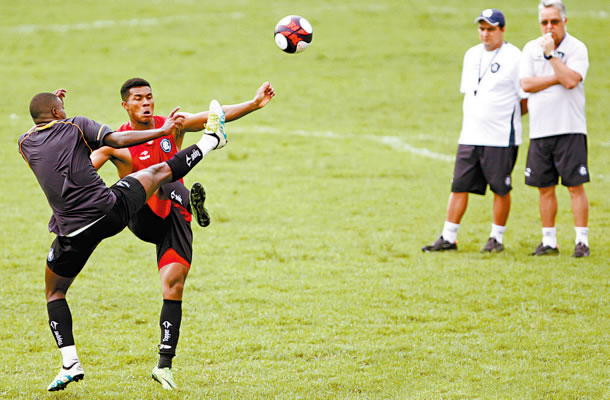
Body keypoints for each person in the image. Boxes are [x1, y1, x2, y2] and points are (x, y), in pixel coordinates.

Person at [18, 89, 226, 392]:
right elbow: (115, 140)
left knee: (55, 292)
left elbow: (51, 138)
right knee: (158, 172)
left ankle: (69, 363)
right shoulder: (76, 124)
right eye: (61, 107)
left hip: (70, 233)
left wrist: (56, 105)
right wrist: (163, 130)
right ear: (57, 113)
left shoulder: (24, 143)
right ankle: (212, 141)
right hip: (108, 212)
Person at [89, 78, 275, 390]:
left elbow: (214, 115)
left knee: (173, 287)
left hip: (175, 219)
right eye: (138, 99)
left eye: (149, 97)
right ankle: (189, 198)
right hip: (143, 217)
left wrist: (253, 104)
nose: (147, 103)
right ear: (126, 105)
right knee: (164, 177)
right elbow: (86, 170)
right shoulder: (116, 141)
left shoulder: (172, 125)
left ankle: (164, 367)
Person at [422, 9, 527, 253]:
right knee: (458, 185)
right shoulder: (471, 55)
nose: (485, 34)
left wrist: (505, 116)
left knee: (500, 188)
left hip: (501, 137)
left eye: (491, 29)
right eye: (482, 29)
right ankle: (448, 236)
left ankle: (496, 238)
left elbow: (525, 98)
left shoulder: (515, 57)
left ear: (502, 30)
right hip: (470, 134)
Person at [520, 0, 590, 257]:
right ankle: (549, 240)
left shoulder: (577, 48)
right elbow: (526, 84)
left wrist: (551, 56)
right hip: (540, 130)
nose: (549, 27)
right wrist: (557, 76)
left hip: (570, 128)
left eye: (554, 21)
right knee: (544, 187)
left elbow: (571, 80)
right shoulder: (529, 48)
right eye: (544, 22)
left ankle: (581, 241)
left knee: (575, 186)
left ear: (565, 22)